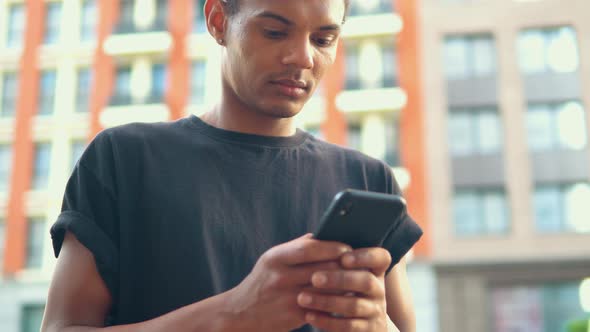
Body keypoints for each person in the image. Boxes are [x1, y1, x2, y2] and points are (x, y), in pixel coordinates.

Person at [41, 0, 423, 331]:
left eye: (323, 40)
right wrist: (235, 314)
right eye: (275, 32)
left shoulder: (369, 182)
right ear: (218, 21)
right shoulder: (124, 159)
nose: (303, 57)